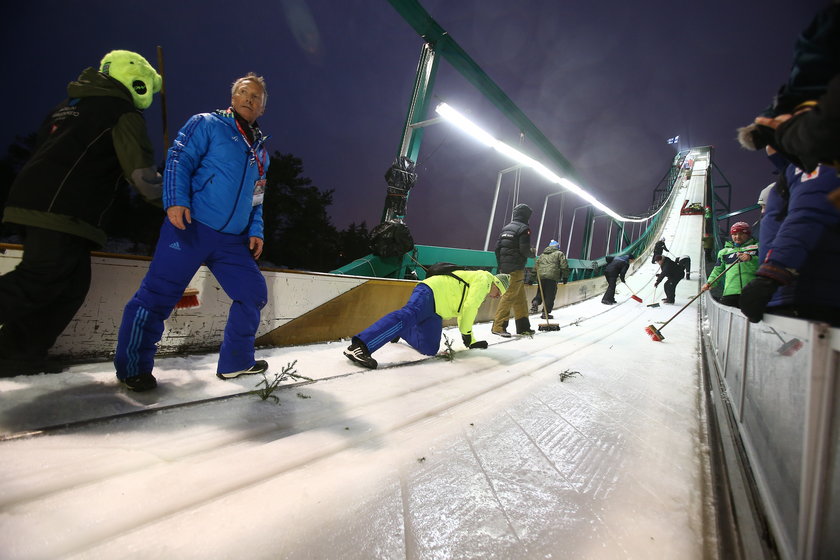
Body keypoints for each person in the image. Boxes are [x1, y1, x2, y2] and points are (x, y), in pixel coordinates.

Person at [0, 50, 163, 375]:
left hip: (33, 200)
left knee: (72, 284)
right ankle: (17, 352)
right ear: (138, 83)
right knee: (41, 278)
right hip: (63, 209)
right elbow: (142, 175)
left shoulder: (65, 107)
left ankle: (17, 354)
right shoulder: (121, 111)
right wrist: (175, 200)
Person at [113, 73, 271, 391]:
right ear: (233, 97)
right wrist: (175, 200)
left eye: (256, 97)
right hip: (190, 226)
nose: (249, 99)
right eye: (244, 92)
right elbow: (179, 158)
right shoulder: (207, 124)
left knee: (253, 293)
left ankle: (236, 362)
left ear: (262, 108)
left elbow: (258, 196)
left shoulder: (261, 152)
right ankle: (132, 367)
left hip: (232, 240)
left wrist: (256, 229)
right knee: (158, 295)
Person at [740, 162, 840, 326]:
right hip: (787, 292)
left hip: (808, 294)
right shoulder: (792, 170)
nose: (763, 212)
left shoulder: (813, 162)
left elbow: (807, 219)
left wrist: (771, 276)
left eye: (765, 206)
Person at [344, 271, 510, 369]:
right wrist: (467, 336)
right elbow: (469, 308)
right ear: (496, 283)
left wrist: (471, 340)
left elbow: (465, 312)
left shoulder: (482, 287)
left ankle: (403, 330)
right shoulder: (484, 280)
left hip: (437, 311)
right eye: (499, 292)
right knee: (408, 315)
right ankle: (360, 347)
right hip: (431, 292)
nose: (497, 297)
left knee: (429, 348)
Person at [492, 204, 534, 337]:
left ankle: (523, 327)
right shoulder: (523, 229)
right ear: (526, 216)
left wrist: (501, 265)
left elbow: (497, 249)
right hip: (516, 269)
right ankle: (498, 326)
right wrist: (532, 253)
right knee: (509, 297)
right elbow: (525, 250)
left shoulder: (506, 228)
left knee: (520, 299)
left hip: (505, 268)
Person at [700, 222, 759, 308]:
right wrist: (710, 283)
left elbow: (765, 264)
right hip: (730, 292)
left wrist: (751, 258)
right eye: (734, 234)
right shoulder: (724, 252)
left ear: (748, 234)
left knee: (751, 319)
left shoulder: (757, 248)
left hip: (751, 292)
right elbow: (717, 270)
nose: (737, 237)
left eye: (741, 234)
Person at [530, 240, 569, 319]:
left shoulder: (542, 255)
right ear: (557, 247)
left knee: (540, 292)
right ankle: (545, 313)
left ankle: (536, 302)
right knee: (550, 296)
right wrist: (565, 277)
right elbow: (564, 266)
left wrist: (531, 278)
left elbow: (535, 267)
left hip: (541, 277)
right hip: (552, 277)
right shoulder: (559, 254)